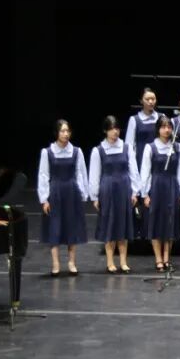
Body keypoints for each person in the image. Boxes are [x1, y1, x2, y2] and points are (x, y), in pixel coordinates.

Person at [89, 115, 139, 273]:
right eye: (111, 129)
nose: (115, 132)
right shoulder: (99, 150)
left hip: (124, 188)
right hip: (108, 189)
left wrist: (135, 191)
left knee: (123, 225)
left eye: (117, 128)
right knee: (110, 224)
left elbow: (133, 170)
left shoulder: (126, 147)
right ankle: (110, 261)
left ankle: (123, 261)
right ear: (105, 130)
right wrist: (95, 196)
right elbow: (94, 174)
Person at [39, 119, 88, 276]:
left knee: (71, 226)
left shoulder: (76, 151)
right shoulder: (48, 152)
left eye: (68, 131)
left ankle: (72, 262)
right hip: (55, 192)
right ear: (57, 133)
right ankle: (56, 263)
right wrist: (44, 199)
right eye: (62, 131)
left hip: (71, 192)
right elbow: (43, 175)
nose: (66, 134)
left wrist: (83, 193)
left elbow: (80, 173)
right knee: (55, 226)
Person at [140, 115, 180, 272]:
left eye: (169, 127)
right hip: (156, 187)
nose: (167, 130)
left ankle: (167, 258)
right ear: (158, 129)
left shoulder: (177, 147)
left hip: (172, 186)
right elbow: (145, 171)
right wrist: (145, 193)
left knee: (170, 223)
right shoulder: (150, 147)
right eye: (163, 127)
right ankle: (158, 259)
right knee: (156, 222)